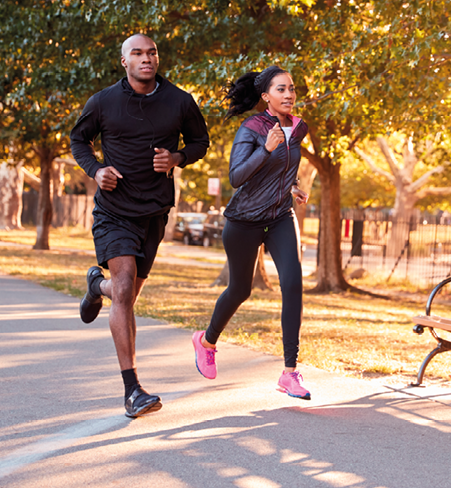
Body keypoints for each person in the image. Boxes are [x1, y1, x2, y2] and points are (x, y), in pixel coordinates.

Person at [70, 34, 209, 418]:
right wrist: (97, 171)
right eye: (137, 53)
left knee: (125, 295)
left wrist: (177, 157)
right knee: (126, 283)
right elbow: (79, 141)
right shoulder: (103, 102)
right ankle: (133, 390)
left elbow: (201, 142)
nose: (146, 59)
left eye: (151, 53)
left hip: (154, 213)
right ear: (124, 61)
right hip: (114, 210)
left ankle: (97, 286)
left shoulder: (180, 101)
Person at [192, 65, 311, 399]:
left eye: (292, 89)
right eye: (281, 90)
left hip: (280, 217)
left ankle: (290, 373)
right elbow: (237, 176)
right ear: (265, 96)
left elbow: (285, 168)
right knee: (240, 290)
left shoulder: (299, 128)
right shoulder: (253, 128)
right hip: (244, 220)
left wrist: (293, 187)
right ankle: (206, 341)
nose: (289, 95)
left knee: (293, 284)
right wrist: (266, 149)